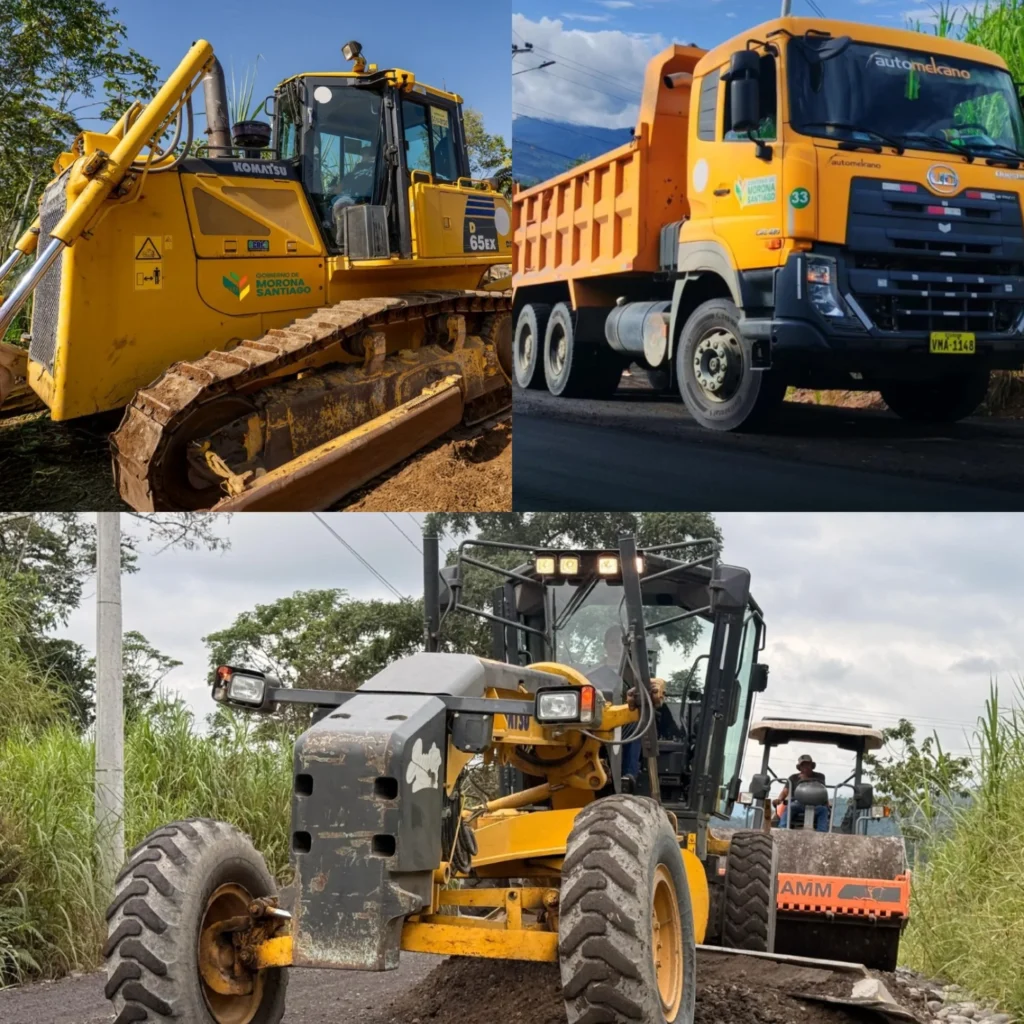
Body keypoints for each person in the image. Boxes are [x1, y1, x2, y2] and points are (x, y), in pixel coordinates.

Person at [775, 754, 829, 832]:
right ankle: (782, 830)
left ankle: (822, 833)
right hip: (798, 803)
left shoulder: (820, 776)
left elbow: (821, 787)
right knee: (790, 807)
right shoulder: (793, 777)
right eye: (803, 765)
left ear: (812, 765)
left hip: (816, 804)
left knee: (823, 810)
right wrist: (779, 799)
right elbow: (785, 791)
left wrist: (806, 779)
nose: (805, 767)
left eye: (807, 765)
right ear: (799, 768)